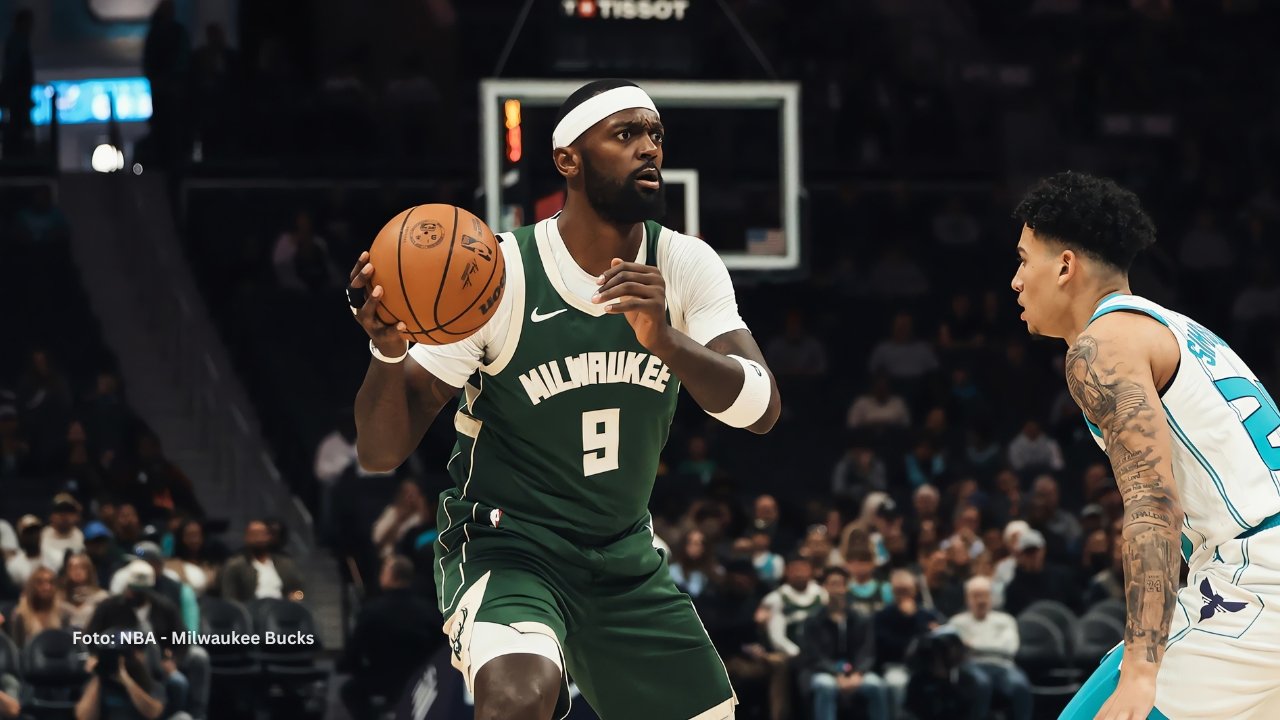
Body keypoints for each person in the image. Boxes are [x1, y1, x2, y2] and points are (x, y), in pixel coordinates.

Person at [349, 78, 781, 719]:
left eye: (655, 135)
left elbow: (761, 409)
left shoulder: (685, 265)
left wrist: (665, 340)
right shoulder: (497, 275)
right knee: (520, 697)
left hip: (624, 556)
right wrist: (388, 353)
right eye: (626, 134)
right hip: (509, 546)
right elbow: (381, 452)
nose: (648, 149)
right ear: (568, 160)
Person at [1012, 172, 1280, 718]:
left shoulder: (1101, 346)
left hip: (1259, 578)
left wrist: (1140, 671)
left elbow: (1153, 505)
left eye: (1023, 259)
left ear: (1064, 266)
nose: (1016, 280)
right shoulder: (1180, 329)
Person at [339, 555, 441, 719]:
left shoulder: (372, 611)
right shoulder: (428, 611)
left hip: (381, 677)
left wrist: (348, 665)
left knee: (349, 691)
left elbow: (354, 651)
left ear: (390, 576)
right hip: (419, 678)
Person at [798, 566, 890, 720]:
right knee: (825, 686)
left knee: (876, 685)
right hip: (823, 672)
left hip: (855, 672)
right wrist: (836, 673)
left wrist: (858, 673)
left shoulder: (861, 618)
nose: (836, 589)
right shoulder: (813, 620)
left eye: (840, 584)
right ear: (825, 587)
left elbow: (867, 651)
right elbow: (814, 656)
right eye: (832, 584)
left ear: (847, 587)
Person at [948, 576, 1032, 720]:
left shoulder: (1006, 620)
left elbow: (1009, 648)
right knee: (981, 683)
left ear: (991, 597)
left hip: (1003, 666)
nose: (981, 600)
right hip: (971, 666)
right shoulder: (956, 623)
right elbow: (955, 651)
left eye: (985, 595)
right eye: (976, 595)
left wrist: (972, 645)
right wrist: (992, 645)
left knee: (1020, 685)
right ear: (967, 599)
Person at [75, 629, 170, 720]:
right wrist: (100, 672)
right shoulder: (98, 684)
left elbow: (153, 713)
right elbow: (84, 717)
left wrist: (126, 679)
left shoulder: (152, 684)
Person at [219, 520, 304, 602]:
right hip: (251, 611)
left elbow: (300, 591)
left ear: (268, 536)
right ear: (246, 537)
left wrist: (296, 597)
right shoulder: (235, 565)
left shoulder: (285, 563)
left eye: (262, 534)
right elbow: (229, 598)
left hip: (281, 610)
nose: (258, 538)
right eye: (254, 534)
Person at [8, 566, 70, 649]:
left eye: (50, 583)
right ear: (32, 586)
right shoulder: (20, 614)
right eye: (40, 583)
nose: (46, 587)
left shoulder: (62, 612)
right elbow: (17, 648)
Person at [63, 552, 110, 630]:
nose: (77, 571)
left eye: (82, 568)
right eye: (73, 568)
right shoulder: (61, 596)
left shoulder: (101, 597)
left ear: (89, 570)